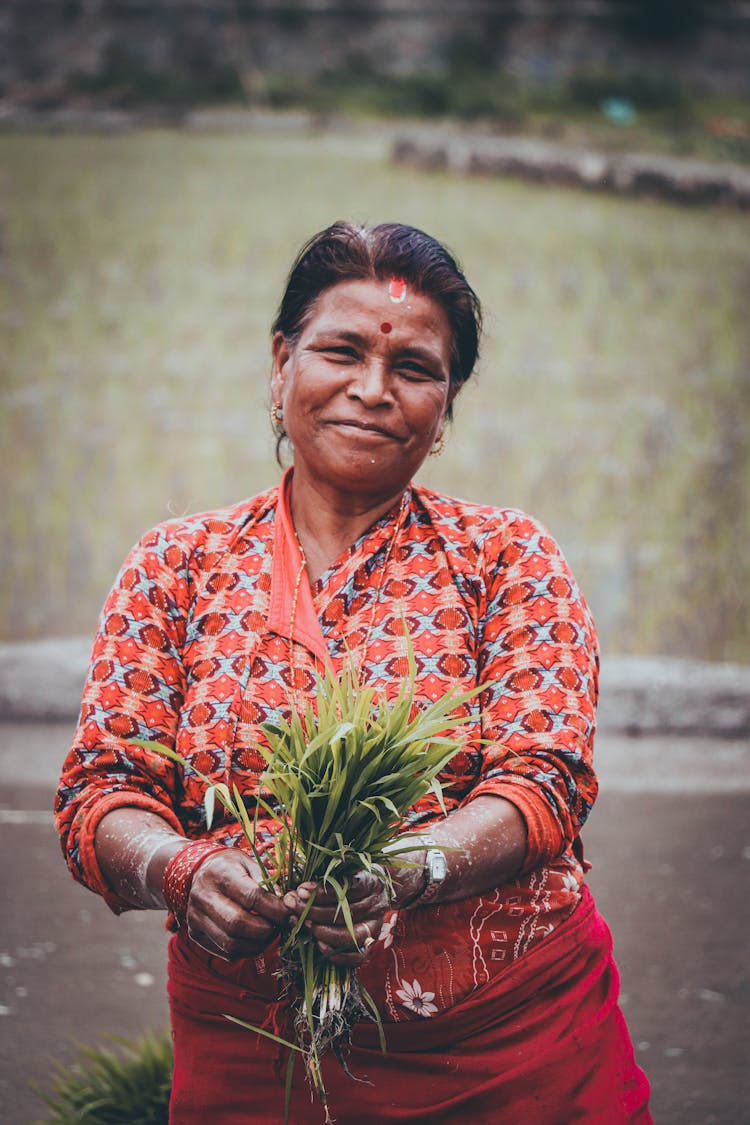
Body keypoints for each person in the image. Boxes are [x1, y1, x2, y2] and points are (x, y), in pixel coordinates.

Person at [56, 221, 652, 1124]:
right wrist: (180, 869)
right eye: (341, 351)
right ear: (281, 362)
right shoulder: (177, 566)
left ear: (444, 408)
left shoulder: (507, 558)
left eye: (414, 369)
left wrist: (415, 866)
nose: (373, 390)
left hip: (511, 1056)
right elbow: (102, 793)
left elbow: (544, 782)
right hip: (258, 1055)